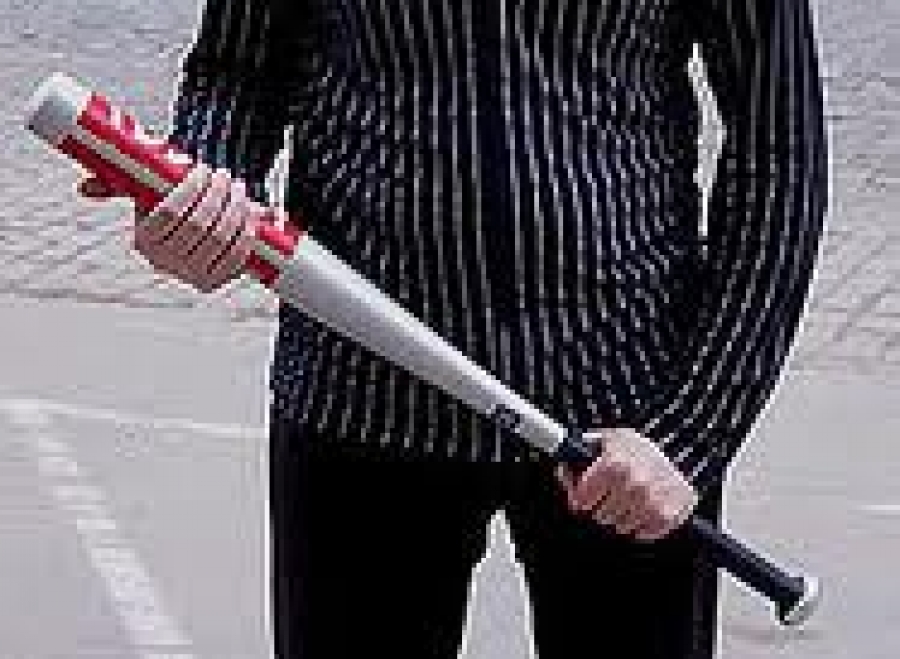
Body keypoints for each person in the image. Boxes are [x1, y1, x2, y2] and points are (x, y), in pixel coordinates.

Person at [79, 0, 829, 656]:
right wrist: (206, 196)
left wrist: (691, 433)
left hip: (626, 417)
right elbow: (236, 71)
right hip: (361, 397)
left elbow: (779, 146)